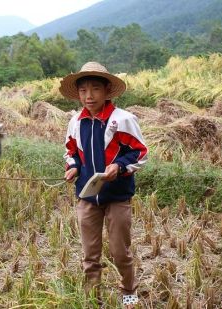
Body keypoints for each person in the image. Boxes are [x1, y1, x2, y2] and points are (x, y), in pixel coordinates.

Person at [59, 62, 148, 308]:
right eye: (83, 90)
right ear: (77, 93)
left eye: (95, 89)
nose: (89, 96)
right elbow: (70, 151)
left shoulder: (123, 120)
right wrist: (73, 167)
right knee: (90, 253)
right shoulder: (76, 121)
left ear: (107, 90)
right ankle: (92, 295)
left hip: (118, 196)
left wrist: (118, 167)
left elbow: (139, 153)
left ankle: (128, 289)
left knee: (120, 251)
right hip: (87, 196)